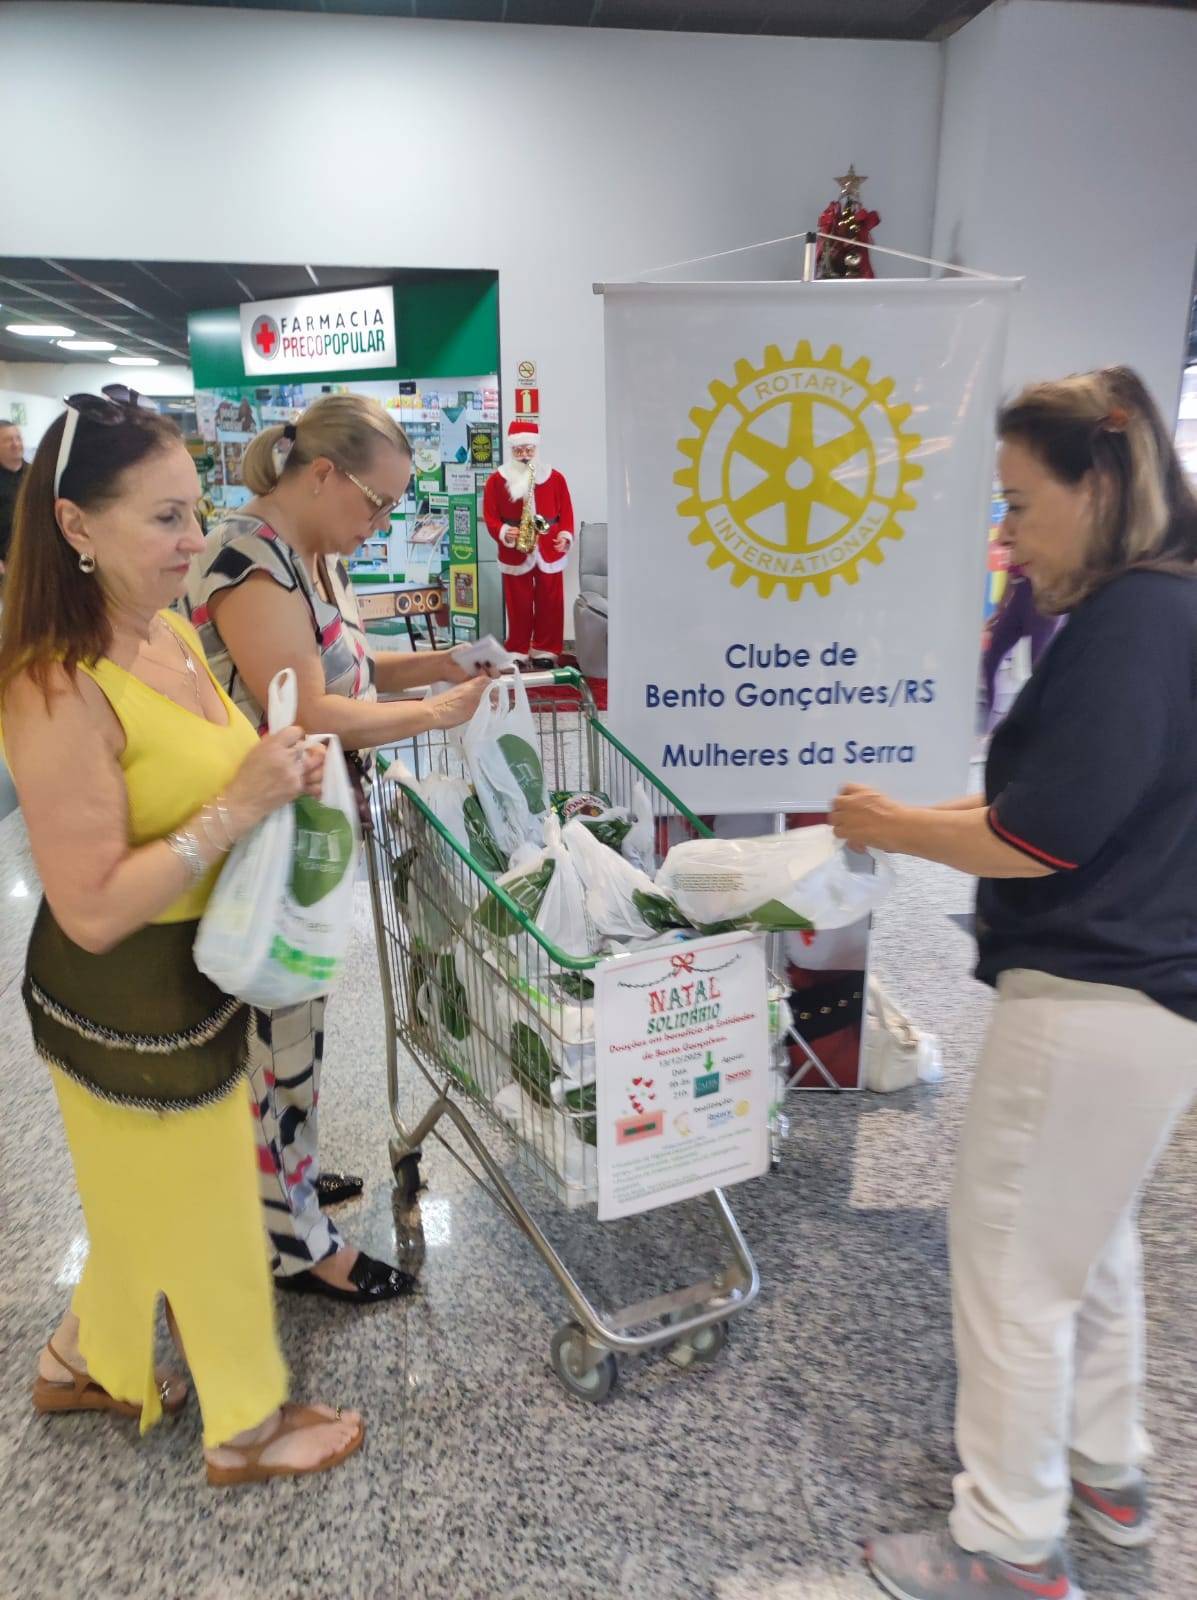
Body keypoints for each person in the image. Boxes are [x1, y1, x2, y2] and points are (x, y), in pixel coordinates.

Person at [831, 366, 1197, 1600]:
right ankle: (1108, 1473)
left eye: (1022, 504)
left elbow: (1043, 835)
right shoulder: (1175, 606)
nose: (1009, 535)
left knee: (1008, 1266)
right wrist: (900, 815)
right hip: (1152, 1002)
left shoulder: (1133, 623)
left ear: (1100, 483)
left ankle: (1007, 1542)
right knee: (1086, 1252)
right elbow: (1044, 802)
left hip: (1089, 998)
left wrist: (893, 825)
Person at [0, 387, 363, 1484]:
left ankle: (84, 1359)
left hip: (192, 983)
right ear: (76, 527)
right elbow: (96, 906)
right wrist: (238, 804)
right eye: (164, 517)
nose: (195, 540)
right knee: (204, 1207)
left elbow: (213, 766)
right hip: (123, 1005)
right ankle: (245, 1423)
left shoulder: (161, 632)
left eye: (196, 510)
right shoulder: (52, 687)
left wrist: (275, 765)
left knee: (136, 1205)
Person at [188, 394, 491, 1304]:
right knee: (279, 1023)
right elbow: (313, 710)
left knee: (299, 1028)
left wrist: (442, 666)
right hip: (265, 840)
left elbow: (347, 669)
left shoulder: (311, 557)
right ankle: (297, 1246)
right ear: (321, 474)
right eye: (377, 502)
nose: (383, 521)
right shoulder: (248, 562)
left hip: (309, 828)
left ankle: (283, 1180)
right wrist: (432, 717)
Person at [483, 419, 575, 667]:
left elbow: (566, 511)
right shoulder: (496, 480)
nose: (524, 456)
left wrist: (565, 536)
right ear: (511, 450)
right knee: (518, 603)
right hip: (515, 550)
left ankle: (546, 649)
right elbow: (490, 515)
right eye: (518, 451)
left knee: (550, 601)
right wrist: (503, 531)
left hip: (548, 547)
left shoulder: (555, 478)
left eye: (529, 450)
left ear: (536, 449)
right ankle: (518, 649)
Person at [980, 559, 1058, 725]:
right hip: (1021, 592)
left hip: (1044, 594)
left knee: (1039, 667)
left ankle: (1041, 724)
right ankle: (990, 720)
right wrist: (1002, 605)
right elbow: (1013, 568)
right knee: (991, 656)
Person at [0, 418, 29, 574]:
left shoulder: (37, 475)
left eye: (18, 438)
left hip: (41, 555)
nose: (16, 444)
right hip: (8, 565)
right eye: (8, 440)